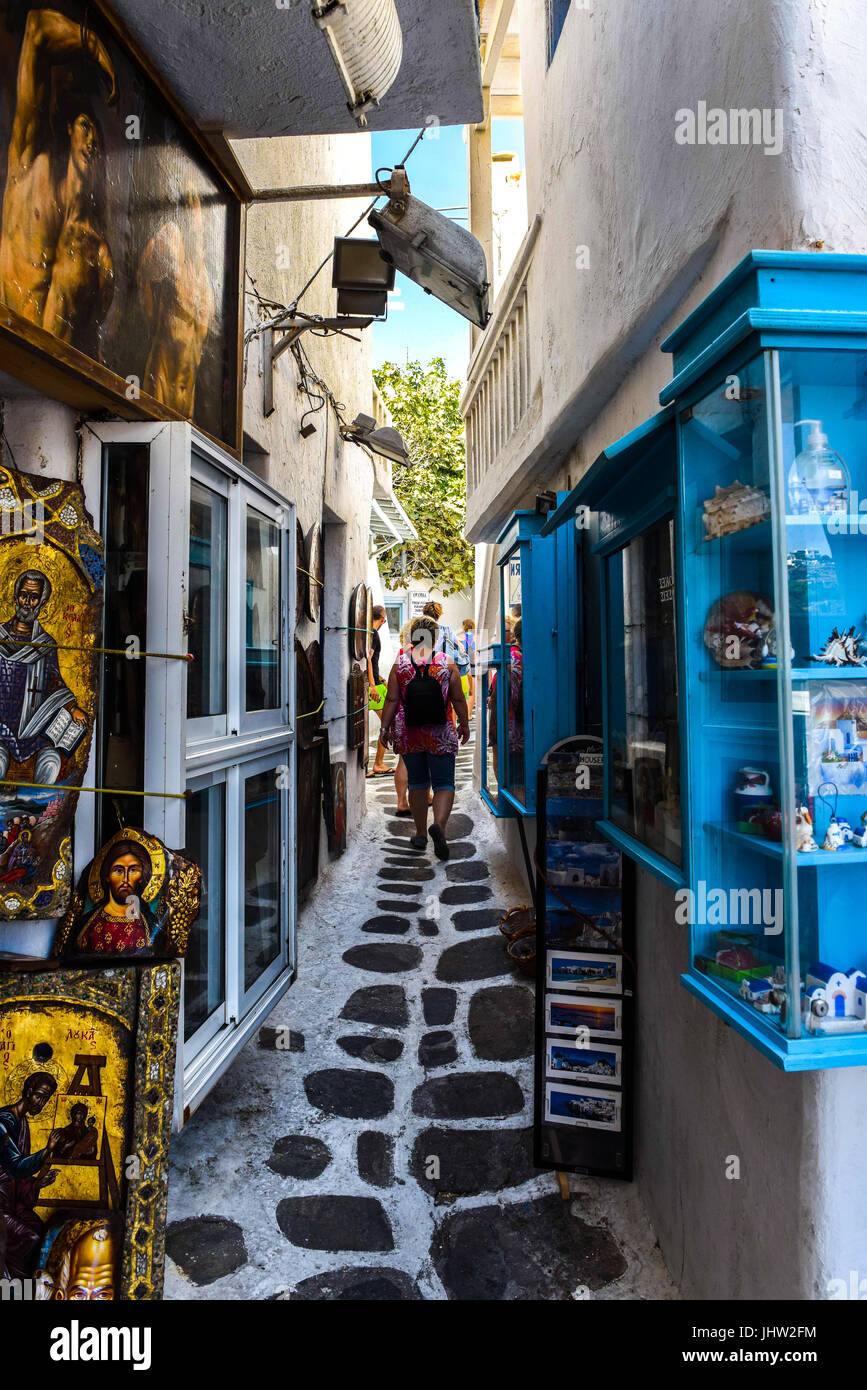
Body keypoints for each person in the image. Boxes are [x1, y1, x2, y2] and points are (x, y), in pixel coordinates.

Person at [0, 9, 116, 355]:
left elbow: (92, 348)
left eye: (96, 132)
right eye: (84, 126)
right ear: (68, 128)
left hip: (45, 385)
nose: (92, 141)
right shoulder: (32, 166)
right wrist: (91, 44)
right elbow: (36, 30)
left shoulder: (95, 245)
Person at [379, 614, 470, 860]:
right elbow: (458, 698)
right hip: (440, 733)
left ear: (412, 637)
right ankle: (438, 826)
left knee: (417, 783)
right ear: (435, 637)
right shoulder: (446, 663)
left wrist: (384, 728)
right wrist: (464, 723)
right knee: (443, 784)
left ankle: (420, 833)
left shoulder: (401, 664)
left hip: (410, 734)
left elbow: (392, 699)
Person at [138, 179, 215, 416]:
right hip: (160, 382)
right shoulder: (168, 242)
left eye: (200, 209)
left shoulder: (204, 280)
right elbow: (145, 282)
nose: (197, 219)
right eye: (192, 207)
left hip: (187, 395)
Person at [0, 1072, 61, 1280]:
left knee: (38, 1228)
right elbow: (15, 1167)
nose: (41, 1103)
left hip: (11, 1203)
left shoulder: (22, 1123)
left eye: (46, 1099)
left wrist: (38, 1183)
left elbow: (17, 1179)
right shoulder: (3, 1123)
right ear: (27, 1092)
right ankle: (10, 1285)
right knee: (31, 1237)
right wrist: (47, 1151)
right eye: (39, 1096)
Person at [366, 605, 392, 776]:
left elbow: (372, 662)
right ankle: (378, 764)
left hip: (375, 682)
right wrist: (373, 685)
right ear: (383, 619)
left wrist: (380, 679)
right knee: (386, 725)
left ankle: (370, 765)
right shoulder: (374, 634)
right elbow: (368, 658)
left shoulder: (368, 632)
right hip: (372, 686)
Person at [423, 602, 470, 678]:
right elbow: (461, 648)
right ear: (438, 615)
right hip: (442, 668)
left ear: (425, 614)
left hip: (424, 668)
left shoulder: (418, 630)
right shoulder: (446, 630)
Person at [460, 618, 476, 721]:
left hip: (463, 668)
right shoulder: (475, 639)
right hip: (473, 668)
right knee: (471, 693)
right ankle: (468, 715)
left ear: (463, 626)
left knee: (461, 693)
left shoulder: (460, 638)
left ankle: (459, 715)